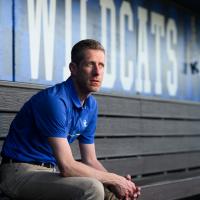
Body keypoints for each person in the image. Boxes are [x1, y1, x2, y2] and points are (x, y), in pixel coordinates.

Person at [0, 39, 140, 200]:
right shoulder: (55, 100)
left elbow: (90, 160)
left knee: (113, 194)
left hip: (51, 173)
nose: (97, 72)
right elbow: (67, 167)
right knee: (92, 188)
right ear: (73, 68)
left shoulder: (91, 105)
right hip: (19, 174)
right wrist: (114, 179)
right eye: (90, 64)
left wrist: (120, 184)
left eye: (101, 65)